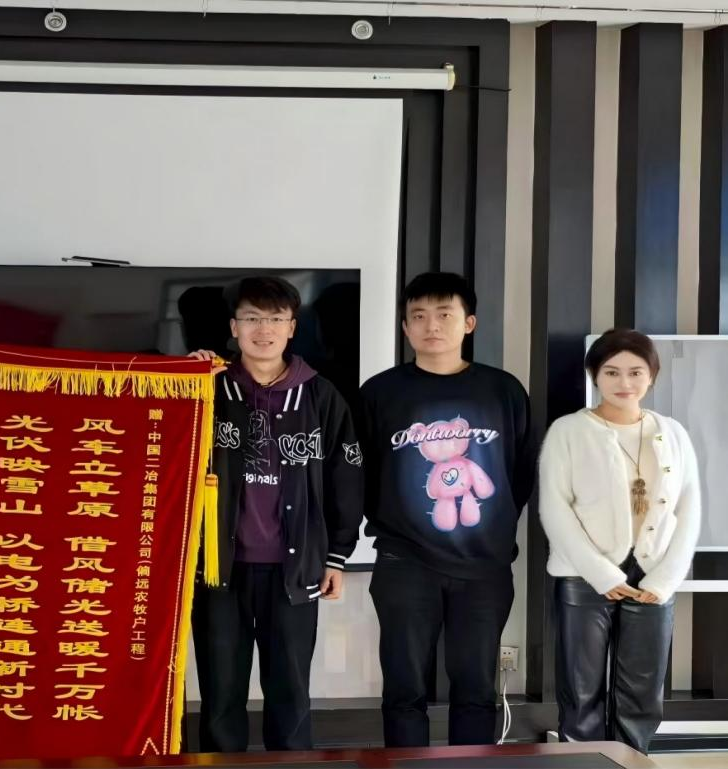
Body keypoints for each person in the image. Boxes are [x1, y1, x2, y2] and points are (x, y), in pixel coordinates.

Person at [357, 271, 536, 747]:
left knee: (475, 689)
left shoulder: (503, 390)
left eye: (444, 314)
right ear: (405, 327)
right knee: (404, 689)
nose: (431, 325)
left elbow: (521, 470)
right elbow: (361, 470)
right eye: (418, 316)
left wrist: (491, 526)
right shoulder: (379, 392)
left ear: (469, 322)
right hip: (403, 562)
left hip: (484, 566)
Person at [188, 276, 364, 751]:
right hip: (216, 570)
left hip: (295, 569)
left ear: (291, 327)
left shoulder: (321, 395)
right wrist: (183, 377)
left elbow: (346, 479)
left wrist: (337, 556)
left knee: (290, 692)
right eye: (251, 318)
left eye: (274, 319)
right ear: (233, 327)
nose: (262, 330)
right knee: (220, 692)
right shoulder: (207, 389)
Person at [539, 329, 701, 752]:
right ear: (594, 375)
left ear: (652, 376)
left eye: (635, 372)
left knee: (642, 695)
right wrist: (600, 574)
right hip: (583, 575)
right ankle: (583, 763)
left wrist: (665, 580)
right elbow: (554, 508)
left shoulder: (673, 433)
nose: (624, 382)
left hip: (653, 574)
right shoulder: (568, 430)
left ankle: (632, 761)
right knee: (581, 691)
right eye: (611, 372)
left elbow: (690, 508)